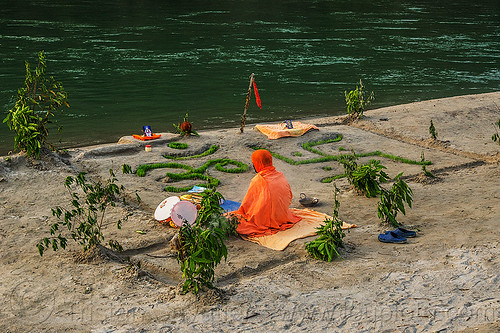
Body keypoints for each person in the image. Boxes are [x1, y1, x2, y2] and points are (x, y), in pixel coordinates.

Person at [232, 149, 302, 237]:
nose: (253, 165)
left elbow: (247, 206)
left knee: (235, 219)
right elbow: (289, 197)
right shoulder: (280, 175)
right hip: (283, 216)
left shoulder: (258, 180)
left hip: (267, 221)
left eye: (254, 162)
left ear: (258, 163)